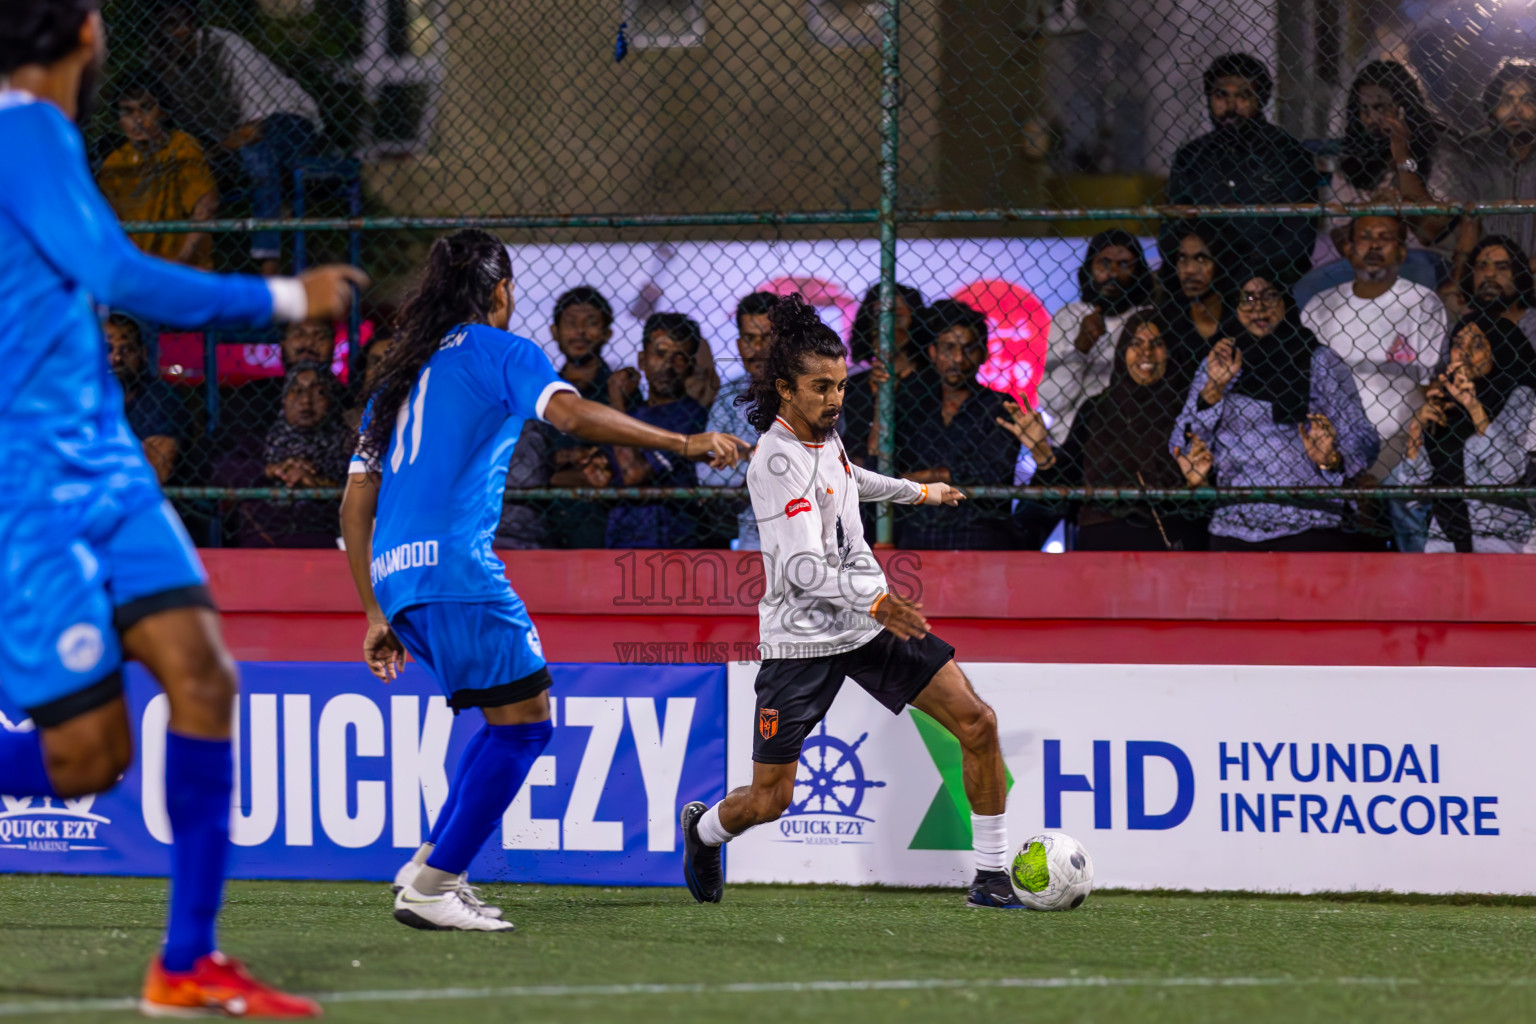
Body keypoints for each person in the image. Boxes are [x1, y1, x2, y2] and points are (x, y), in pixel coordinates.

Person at [0, 0, 364, 1011]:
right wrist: (288, 299)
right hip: (30, 487)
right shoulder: (20, 129)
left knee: (203, 678)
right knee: (85, 760)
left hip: (108, 467)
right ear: (85, 35)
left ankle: (185, 960)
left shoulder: (47, 137)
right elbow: (116, 274)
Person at [338, 229, 747, 931]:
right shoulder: (502, 352)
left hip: (396, 579)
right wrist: (682, 442)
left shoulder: (399, 376)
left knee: (505, 719)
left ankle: (432, 863)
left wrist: (374, 611)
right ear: (501, 291)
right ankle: (433, 886)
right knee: (527, 726)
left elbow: (353, 504)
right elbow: (569, 413)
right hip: (457, 571)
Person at [678, 294, 1024, 910]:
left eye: (840, 385)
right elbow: (803, 567)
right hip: (803, 641)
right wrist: (879, 602)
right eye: (821, 387)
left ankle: (992, 877)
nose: (836, 399)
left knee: (979, 723)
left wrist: (921, 493)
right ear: (785, 389)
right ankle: (704, 832)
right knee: (770, 800)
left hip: (868, 624)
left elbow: (851, 476)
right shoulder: (773, 460)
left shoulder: (825, 437)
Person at [1170, 273, 1381, 551]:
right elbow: (1182, 445)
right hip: (1235, 523)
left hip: (1311, 519)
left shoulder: (1320, 362)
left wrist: (1332, 460)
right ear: (1232, 307)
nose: (1259, 308)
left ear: (1286, 302)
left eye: (1269, 295)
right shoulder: (1217, 364)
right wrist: (1213, 391)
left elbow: (1364, 439)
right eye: (1247, 298)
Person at [1004, 312, 1208, 551]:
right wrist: (1041, 451)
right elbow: (1066, 478)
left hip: (1174, 539)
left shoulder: (1188, 409)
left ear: (1171, 351)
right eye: (1135, 343)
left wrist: (1198, 484)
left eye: (1157, 344)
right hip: (1104, 542)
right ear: (1122, 351)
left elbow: (1208, 496)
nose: (1146, 353)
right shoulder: (1098, 409)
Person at [149, 0, 321, 273]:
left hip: (287, 121)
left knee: (258, 152)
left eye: (176, 24)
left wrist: (209, 153)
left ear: (194, 25)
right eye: (162, 27)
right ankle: (179, 261)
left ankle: (268, 261)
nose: (169, 34)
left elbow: (255, 128)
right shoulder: (168, 63)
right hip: (229, 141)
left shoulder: (226, 48)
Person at [1293, 60, 1454, 310]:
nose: (1371, 119)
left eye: (1380, 107)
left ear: (1403, 107)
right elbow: (1339, 236)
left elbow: (1429, 232)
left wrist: (1401, 151)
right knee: (1308, 289)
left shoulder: (1436, 152)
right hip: (1364, 260)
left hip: (1419, 256)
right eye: (1363, 110)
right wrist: (1371, 216)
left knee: (1414, 278)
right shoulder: (1353, 163)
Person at [1160, 53, 1319, 290]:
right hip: (1207, 281)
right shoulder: (1191, 157)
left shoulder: (1289, 154)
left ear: (1261, 100)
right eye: (1221, 95)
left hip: (1274, 279)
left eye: (1243, 96)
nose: (1231, 106)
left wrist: (1243, 271)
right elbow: (1171, 233)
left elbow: (1297, 237)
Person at [1299, 215, 1446, 468]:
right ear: (1348, 248)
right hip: (1331, 441)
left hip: (1400, 441)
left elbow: (1427, 384)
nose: (1374, 246)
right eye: (1365, 237)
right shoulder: (1319, 306)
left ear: (1401, 252)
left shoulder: (1423, 303)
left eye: (1385, 238)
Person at [1388, 315, 1536, 552]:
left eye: (1477, 345)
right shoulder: (1444, 403)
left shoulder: (1519, 396)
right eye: (1457, 344)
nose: (1463, 352)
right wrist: (1416, 434)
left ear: (1499, 350)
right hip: (1445, 545)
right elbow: (1410, 494)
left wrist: (1475, 408)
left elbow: (1504, 474)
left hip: (1503, 544)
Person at [894, 300, 1022, 549]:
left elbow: (992, 472)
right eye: (949, 348)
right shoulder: (916, 406)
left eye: (969, 349)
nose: (958, 358)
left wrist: (919, 480)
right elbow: (887, 463)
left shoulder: (999, 405)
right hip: (920, 535)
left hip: (980, 535)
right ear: (932, 353)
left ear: (984, 354)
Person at [216, 362, 351, 547]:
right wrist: (272, 470)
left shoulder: (348, 445)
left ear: (331, 399)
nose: (306, 401)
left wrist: (317, 483)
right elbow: (220, 471)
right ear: (284, 399)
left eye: (318, 392)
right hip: (261, 543)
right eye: (297, 391)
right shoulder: (261, 441)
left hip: (325, 544)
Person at [605, 313, 710, 549]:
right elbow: (600, 472)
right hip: (620, 542)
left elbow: (633, 474)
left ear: (691, 365)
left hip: (673, 545)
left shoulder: (691, 417)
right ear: (642, 360)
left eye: (679, 358)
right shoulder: (631, 413)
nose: (667, 366)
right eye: (660, 354)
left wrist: (616, 402)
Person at [95, 68, 216, 268]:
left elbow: (206, 207)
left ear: (163, 111)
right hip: (136, 270)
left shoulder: (182, 146)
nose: (138, 119)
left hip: (184, 270)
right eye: (127, 111)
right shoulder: (114, 163)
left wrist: (180, 261)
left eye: (146, 108)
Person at [1042, 229, 1155, 443]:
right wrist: (1080, 350)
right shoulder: (1068, 317)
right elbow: (1050, 402)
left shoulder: (1148, 320)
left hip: (1130, 440)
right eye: (1104, 262)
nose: (1112, 272)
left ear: (1138, 272)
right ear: (1089, 267)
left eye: (1123, 264)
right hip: (1069, 442)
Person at [1442, 60, 1536, 288]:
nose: (1517, 109)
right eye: (1505, 101)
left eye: (1527, 100)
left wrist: (1523, 272)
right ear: (1491, 110)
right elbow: (1468, 222)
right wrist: (1459, 279)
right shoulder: (1475, 151)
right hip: (1487, 273)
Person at [543, 286, 623, 548]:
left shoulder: (621, 393)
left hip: (608, 528)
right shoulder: (542, 393)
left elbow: (619, 467)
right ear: (555, 331)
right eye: (570, 323)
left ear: (606, 333)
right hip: (548, 527)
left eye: (590, 324)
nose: (579, 332)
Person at [698, 291, 778, 549]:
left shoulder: (809, 393)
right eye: (749, 339)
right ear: (738, 343)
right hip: (751, 542)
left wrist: (743, 461)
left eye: (767, 338)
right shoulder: (728, 397)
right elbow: (706, 473)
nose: (757, 349)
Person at [842, 282, 924, 468]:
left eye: (898, 316)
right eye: (879, 316)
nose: (887, 326)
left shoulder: (932, 384)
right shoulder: (850, 387)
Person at [106, 312, 190, 484]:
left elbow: (153, 475)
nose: (116, 358)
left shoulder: (160, 398)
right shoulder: (81, 398)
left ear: (142, 353)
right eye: (107, 349)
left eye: (126, 349)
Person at [1158, 221, 1228, 388]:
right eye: (1182, 258)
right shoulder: (1167, 318)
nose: (1189, 270)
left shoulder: (1244, 315)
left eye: (1201, 259)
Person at [1449, 235, 1536, 345]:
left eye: (1502, 267)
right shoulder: (1461, 329)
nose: (1489, 274)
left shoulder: (1532, 328)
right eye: (1482, 266)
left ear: (1519, 275)